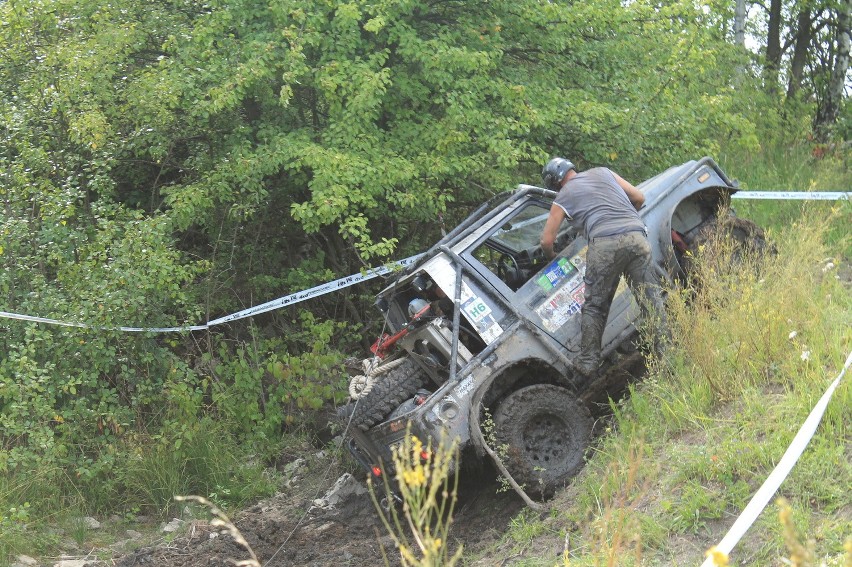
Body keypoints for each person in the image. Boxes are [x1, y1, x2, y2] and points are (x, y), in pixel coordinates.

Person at [539, 157, 667, 378]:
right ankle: (667, 352)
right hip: (636, 236)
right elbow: (638, 197)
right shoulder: (604, 172)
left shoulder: (562, 198)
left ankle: (588, 362)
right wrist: (625, 219)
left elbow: (546, 241)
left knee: (595, 306)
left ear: (553, 182)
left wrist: (553, 256)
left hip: (604, 245)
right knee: (650, 298)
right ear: (571, 169)